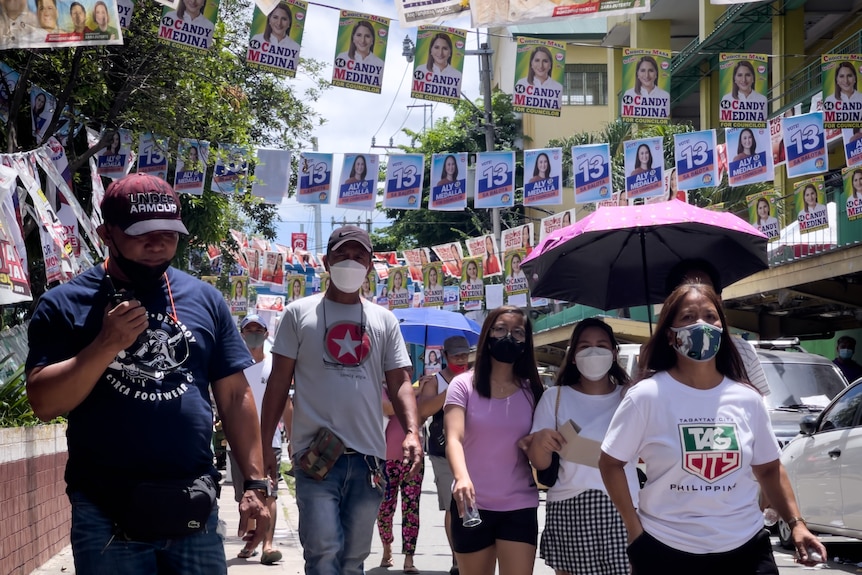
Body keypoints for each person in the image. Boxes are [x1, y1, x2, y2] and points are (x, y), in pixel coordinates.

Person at [24, 173, 270, 574]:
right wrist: (105, 344)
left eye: (168, 233)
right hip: (106, 512)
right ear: (106, 233)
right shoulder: (65, 305)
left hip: (193, 504)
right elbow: (44, 403)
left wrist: (256, 486)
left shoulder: (204, 299)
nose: (157, 244)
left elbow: (234, 396)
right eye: (142, 233)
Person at [598, 282, 826, 575]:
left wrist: (796, 524)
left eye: (710, 316)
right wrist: (634, 529)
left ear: (722, 328)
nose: (701, 325)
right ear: (670, 335)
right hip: (666, 550)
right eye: (687, 317)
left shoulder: (748, 398)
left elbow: (769, 469)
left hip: (746, 550)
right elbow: (611, 462)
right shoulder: (646, 396)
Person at [259, 225, 422, 575]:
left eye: (359, 256)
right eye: (343, 255)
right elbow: (277, 384)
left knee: (353, 559)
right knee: (323, 552)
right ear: (327, 261)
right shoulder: (298, 313)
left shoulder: (384, 320)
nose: (351, 262)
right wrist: (263, 447)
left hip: (368, 461)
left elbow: (401, 381)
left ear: (369, 265)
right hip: (315, 457)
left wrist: (412, 431)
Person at [528, 318, 636, 575]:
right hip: (570, 507)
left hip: (624, 507)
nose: (594, 351)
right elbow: (539, 463)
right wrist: (541, 442)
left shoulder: (631, 397)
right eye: (585, 346)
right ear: (573, 356)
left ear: (614, 353)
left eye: (601, 345)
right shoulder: (555, 398)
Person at [444, 306, 544, 575]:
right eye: (500, 329)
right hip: (471, 504)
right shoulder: (463, 385)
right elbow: (453, 437)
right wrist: (461, 477)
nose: (508, 337)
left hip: (519, 505)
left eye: (518, 332)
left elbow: (540, 445)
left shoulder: (533, 390)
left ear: (526, 342)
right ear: (487, 334)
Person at [663, 258, 770, 397]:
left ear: (718, 300)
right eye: (688, 316)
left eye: (705, 288)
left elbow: (759, 405)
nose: (697, 293)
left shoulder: (743, 352)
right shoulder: (647, 392)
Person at [230, 315, 284, 565]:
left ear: (265, 334)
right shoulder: (233, 365)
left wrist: (292, 439)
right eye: (248, 330)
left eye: (258, 329)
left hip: (270, 440)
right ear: (241, 334)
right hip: (240, 441)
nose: (253, 333)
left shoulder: (275, 365)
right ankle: (251, 543)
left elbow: (287, 404)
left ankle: (268, 544)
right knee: (246, 495)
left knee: (269, 493)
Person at [417, 335, 472, 575]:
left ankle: (472, 553)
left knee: (474, 504)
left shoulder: (477, 377)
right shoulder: (434, 382)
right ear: (446, 357)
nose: (461, 359)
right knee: (453, 505)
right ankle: (457, 558)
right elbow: (423, 411)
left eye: (464, 355)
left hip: (474, 449)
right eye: (456, 355)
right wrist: (454, 388)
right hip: (443, 452)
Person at [377, 381, 427, 574]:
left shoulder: (415, 390)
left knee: (411, 509)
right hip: (385, 460)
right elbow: (389, 408)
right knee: (384, 509)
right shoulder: (380, 388)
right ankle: (387, 546)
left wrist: (420, 391)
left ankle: (409, 558)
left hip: (412, 458)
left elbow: (424, 412)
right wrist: (416, 392)